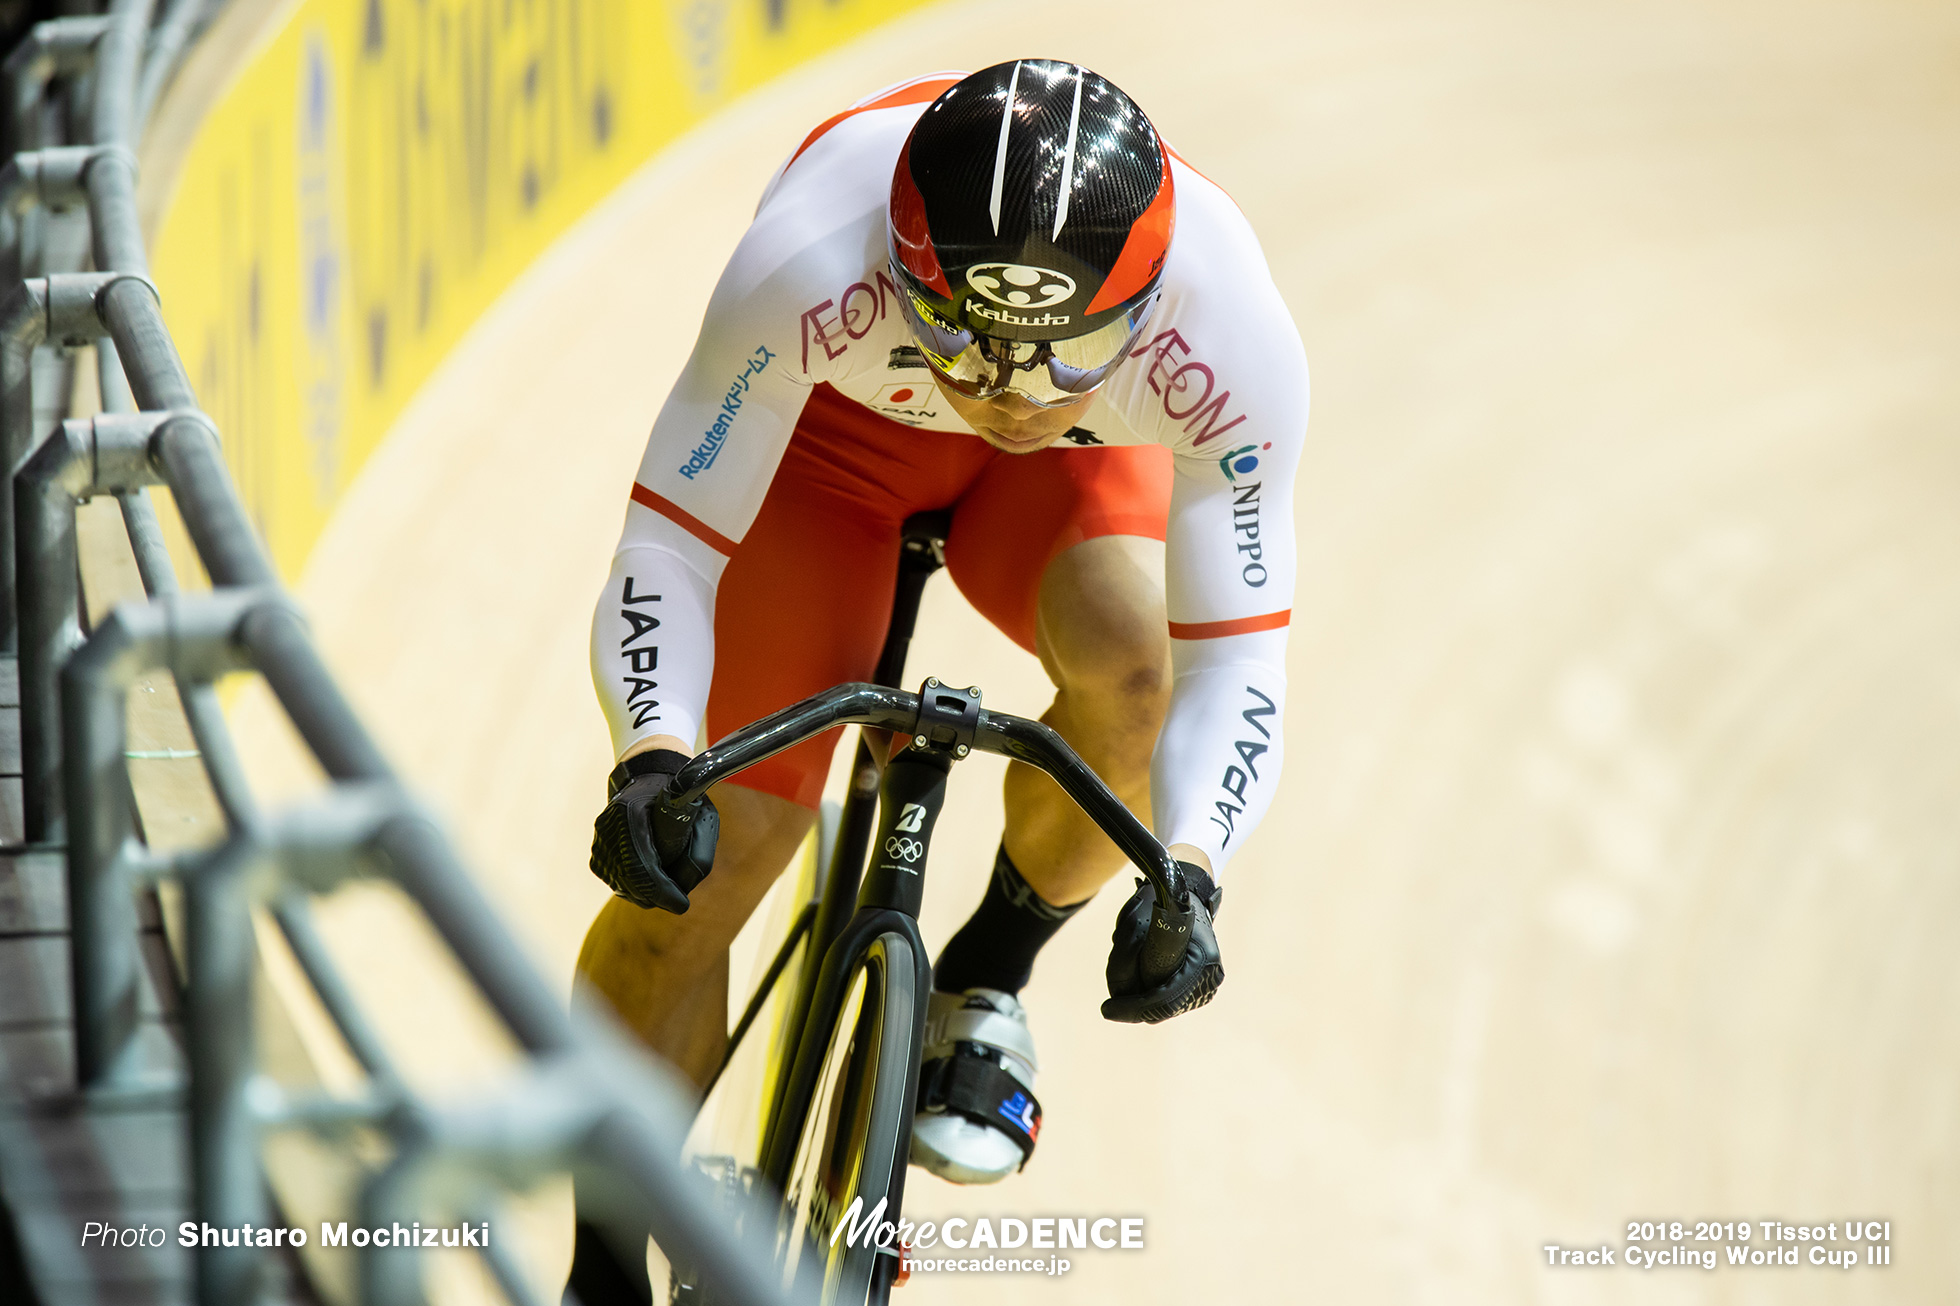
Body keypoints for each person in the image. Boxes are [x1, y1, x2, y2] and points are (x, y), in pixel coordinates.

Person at [569, 57, 1306, 1301]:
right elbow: (670, 541)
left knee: (1137, 680)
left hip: (1069, 476)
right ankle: (596, 1262)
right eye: (962, 344)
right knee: (690, 885)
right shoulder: (806, 262)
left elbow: (1235, 652)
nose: (1003, 395)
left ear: (1145, 307)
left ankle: (987, 972)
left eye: (1053, 352)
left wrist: (1193, 868)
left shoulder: (1227, 329)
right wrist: (653, 751)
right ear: (902, 271)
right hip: (835, 453)